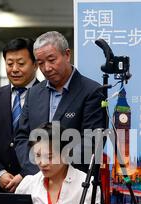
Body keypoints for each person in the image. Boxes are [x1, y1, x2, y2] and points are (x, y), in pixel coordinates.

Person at [14, 31, 106, 180]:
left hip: (74, 181)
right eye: (41, 63)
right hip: (37, 180)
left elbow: (91, 141)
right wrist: (36, 169)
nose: (47, 68)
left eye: (51, 60)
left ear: (67, 54)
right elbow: (22, 138)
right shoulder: (33, 94)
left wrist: (56, 167)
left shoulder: (91, 91)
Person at [0, 38, 39, 193]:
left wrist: (25, 174)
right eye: (10, 64)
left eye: (21, 63)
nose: (14, 69)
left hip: (36, 185)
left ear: (36, 64)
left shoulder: (47, 96)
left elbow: (51, 143)